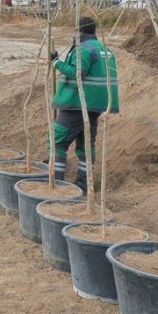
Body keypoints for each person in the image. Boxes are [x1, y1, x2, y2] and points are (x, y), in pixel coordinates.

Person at [49, 16, 120, 192]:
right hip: (95, 106)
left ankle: (55, 185)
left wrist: (56, 62)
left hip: (76, 103)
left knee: (57, 142)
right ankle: (83, 186)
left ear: (79, 30)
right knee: (85, 144)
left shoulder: (84, 49)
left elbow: (77, 73)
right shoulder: (104, 49)